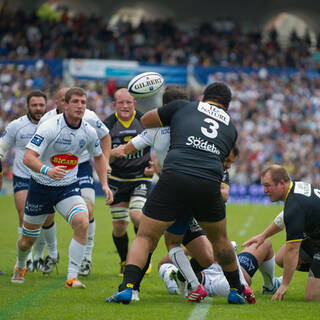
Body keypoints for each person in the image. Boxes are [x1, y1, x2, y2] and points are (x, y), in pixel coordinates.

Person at [106, 82, 247, 305]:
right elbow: (223, 160)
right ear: (227, 107)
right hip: (208, 181)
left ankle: (128, 287)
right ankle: (237, 289)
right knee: (220, 240)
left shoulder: (184, 107)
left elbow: (146, 120)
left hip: (175, 177)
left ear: (202, 98)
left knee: (146, 237)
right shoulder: (230, 126)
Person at [11, 87, 113, 289]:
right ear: (64, 104)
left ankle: (72, 277)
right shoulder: (50, 127)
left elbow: (99, 157)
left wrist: (104, 184)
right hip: (41, 188)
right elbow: (28, 157)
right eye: (75, 101)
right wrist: (47, 170)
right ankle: (21, 265)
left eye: (83, 102)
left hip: (67, 187)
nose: (80, 106)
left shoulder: (88, 130)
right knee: (27, 241)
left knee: (82, 221)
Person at [36, 87, 111, 276]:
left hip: (82, 166)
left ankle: (86, 258)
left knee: (88, 210)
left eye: (81, 102)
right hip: (54, 170)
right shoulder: (47, 121)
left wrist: (106, 161)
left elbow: (106, 136)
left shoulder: (90, 117)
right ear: (60, 102)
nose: (76, 105)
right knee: (47, 216)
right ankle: (52, 254)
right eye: (64, 100)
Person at [242, 164, 320, 301]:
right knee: (280, 258)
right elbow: (283, 217)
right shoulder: (295, 188)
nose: (264, 190)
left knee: (312, 297)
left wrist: (285, 285)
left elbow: (292, 250)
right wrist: (263, 236)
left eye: (268, 185)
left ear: (282, 184)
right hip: (315, 238)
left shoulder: (295, 205)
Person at [103, 88, 153, 276]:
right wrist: (111, 154)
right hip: (117, 179)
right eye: (121, 102)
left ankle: (143, 259)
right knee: (119, 226)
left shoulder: (146, 121)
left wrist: (154, 165)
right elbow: (98, 156)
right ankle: (125, 261)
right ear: (115, 104)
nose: (125, 106)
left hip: (141, 177)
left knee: (137, 215)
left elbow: (161, 143)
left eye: (128, 102)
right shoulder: (106, 125)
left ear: (134, 103)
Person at [0, 90, 47, 271]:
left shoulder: (51, 125)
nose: (37, 108)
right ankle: (24, 260)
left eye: (41, 105)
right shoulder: (16, 126)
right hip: (22, 177)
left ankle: (40, 256)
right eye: (34, 105)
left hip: (45, 178)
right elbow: (2, 146)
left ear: (46, 106)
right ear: (27, 106)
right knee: (23, 216)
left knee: (44, 220)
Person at [159, 238, 281, 300]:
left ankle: (270, 286)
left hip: (222, 265)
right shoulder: (217, 285)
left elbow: (163, 264)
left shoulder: (203, 230)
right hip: (218, 278)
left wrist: (214, 253)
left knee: (264, 242)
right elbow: (246, 281)